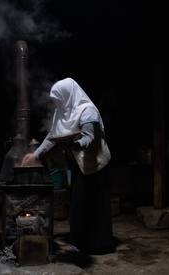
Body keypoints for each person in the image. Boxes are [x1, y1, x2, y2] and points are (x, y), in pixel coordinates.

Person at [22, 77, 115, 254]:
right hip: (78, 165)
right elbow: (52, 136)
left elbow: (89, 137)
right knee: (79, 203)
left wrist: (75, 144)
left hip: (96, 165)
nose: (56, 102)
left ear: (68, 95)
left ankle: (99, 245)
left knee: (96, 204)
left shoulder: (87, 111)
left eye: (59, 98)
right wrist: (36, 154)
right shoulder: (62, 112)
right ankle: (80, 242)